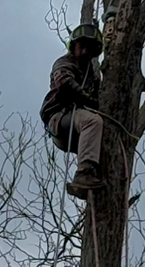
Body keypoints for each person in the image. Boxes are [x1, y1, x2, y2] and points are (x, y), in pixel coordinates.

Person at [40, 25, 105, 196]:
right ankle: (83, 174)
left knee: (100, 134)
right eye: (81, 46)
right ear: (73, 46)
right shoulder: (64, 63)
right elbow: (65, 83)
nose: (84, 52)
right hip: (61, 118)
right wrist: (88, 100)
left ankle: (89, 177)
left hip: (76, 126)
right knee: (92, 121)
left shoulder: (91, 75)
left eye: (89, 48)